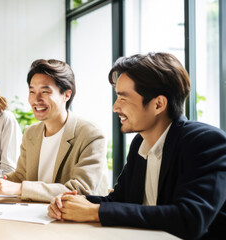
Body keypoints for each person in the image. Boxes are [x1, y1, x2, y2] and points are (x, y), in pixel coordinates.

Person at [47, 52, 226, 239]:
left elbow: (190, 219)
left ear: (158, 104)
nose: (115, 107)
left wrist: (95, 212)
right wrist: (73, 201)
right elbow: (118, 200)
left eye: (123, 98)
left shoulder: (207, 142)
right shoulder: (141, 142)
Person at [0, 59, 108, 202]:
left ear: (67, 95)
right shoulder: (31, 133)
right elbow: (21, 177)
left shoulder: (90, 134)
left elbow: (81, 190)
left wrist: (19, 188)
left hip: (75, 219)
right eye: (32, 91)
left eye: (45, 91)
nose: (36, 99)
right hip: (37, 214)